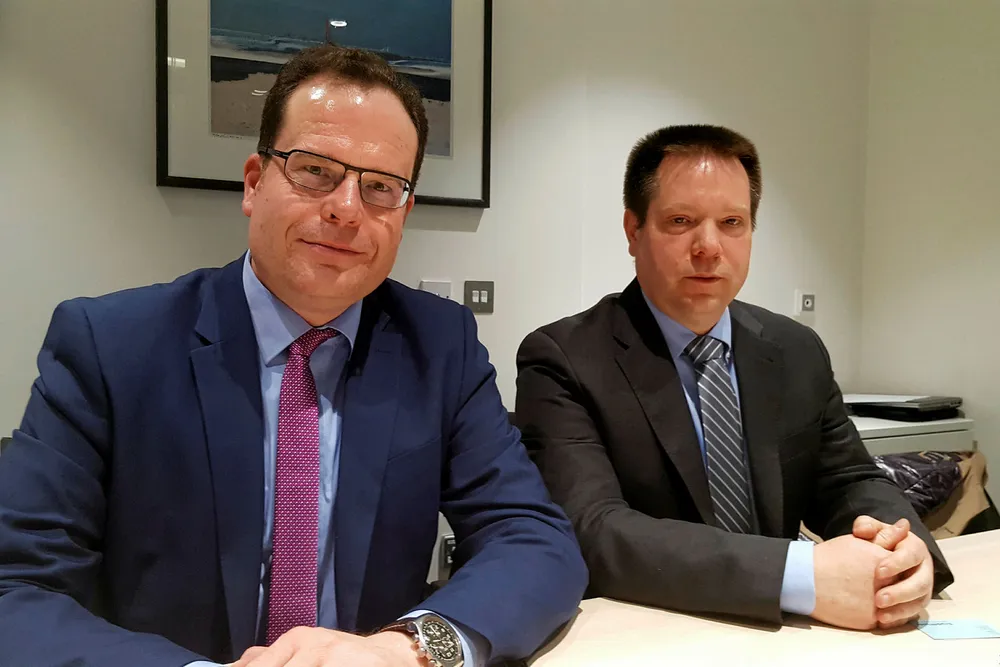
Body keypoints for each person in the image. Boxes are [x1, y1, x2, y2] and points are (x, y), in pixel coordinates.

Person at [0, 45, 586, 667]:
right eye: (314, 171)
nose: (346, 209)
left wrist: (407, 649)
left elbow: (532, 538)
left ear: (404, 211)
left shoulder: (441, 344)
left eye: (380, 187)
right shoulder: (110, 345)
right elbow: (16, 588)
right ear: (255, 183)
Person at [514, 124, 953, 630]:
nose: (709, 247)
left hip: (788, 638)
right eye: (681, 221)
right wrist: (798, 576)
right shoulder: (564, 358)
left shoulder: (795, 348)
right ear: (634, 231)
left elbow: (848, 480)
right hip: (648, 630)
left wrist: (904, 550)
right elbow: (592, 529)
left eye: (731, 223)